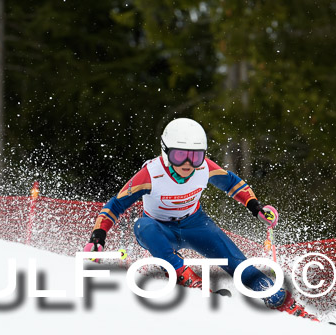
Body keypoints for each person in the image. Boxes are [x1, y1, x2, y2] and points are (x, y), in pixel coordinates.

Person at [85, 117, 317, 321]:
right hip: (159, 229)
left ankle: (277, 297)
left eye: (195, 157)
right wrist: (98, 237)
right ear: (165, 152)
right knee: (142, 225)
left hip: (195, 225)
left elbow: (232, 183)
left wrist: (256, 208)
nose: (188, 164)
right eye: (180, 155)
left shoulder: (204, 169)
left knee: (239, 265)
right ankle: (180, 272)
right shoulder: (150, 174)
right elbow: (115, 205)